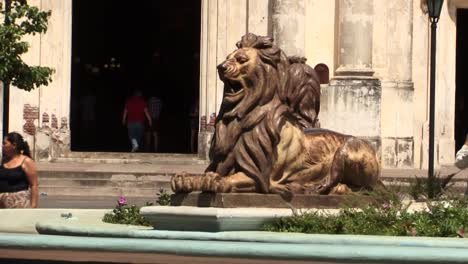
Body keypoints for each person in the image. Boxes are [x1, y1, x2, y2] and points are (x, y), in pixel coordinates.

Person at [0, 132, 38, 208]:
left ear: (14, 145)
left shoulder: (26, 161)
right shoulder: (3, 161)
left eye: (5, 143)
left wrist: (33, 206)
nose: (2, 146)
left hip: (19, 202)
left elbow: (34, 185)